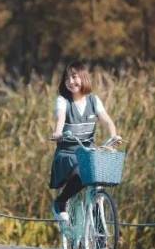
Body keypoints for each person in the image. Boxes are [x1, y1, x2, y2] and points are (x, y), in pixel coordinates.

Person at [49, 60, 121, 222]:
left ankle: (100, 234)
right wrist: (58, 132)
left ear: (83, 77)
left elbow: (107, 120)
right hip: (68, 154)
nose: (70, 81)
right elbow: (61, 117)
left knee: (97, 182)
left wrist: (113, 136)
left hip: (87, 151)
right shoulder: (63, 100)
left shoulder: (93, 100)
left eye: (74, 77)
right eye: (67, 78)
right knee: (84, 169)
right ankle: (60, 202)